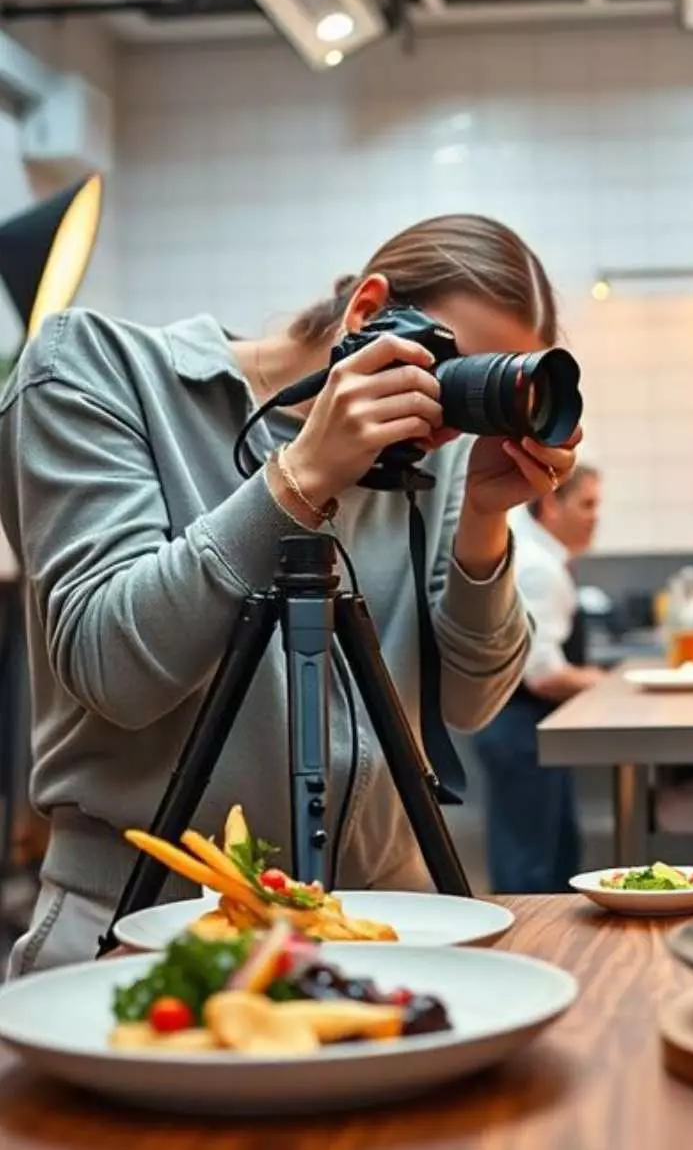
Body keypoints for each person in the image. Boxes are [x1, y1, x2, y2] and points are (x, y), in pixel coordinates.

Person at [0, 213, 580, 976]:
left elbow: (469, 704)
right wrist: (301, 476)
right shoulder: (100, 369)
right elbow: (115, 669)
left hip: (380, 927)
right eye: (452, 370)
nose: (452, 415)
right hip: (149, 929)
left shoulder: (429, 461)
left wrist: (484, 518)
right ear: (369, 312)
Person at [474, 465, 603, 893]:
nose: (594, 516)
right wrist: (605, 683)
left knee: (552, 856)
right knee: (529, 868)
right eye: (587, 504)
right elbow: (544, 676)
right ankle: (528, 949)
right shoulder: (537, 567)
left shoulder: (539, 557)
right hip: (521, 730)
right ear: (550, 504)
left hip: (528, 730)